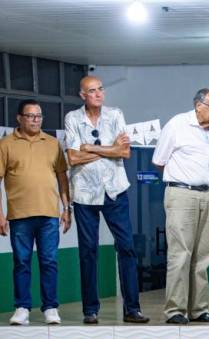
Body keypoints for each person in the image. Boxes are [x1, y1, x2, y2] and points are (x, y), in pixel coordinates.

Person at [65, 76, 148, 324]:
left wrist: (90, 148)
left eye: (101, 89)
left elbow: (124, 152)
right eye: (92, 91)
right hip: (84, 194)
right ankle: (90, 310)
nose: (99, 94)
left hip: (115, 191)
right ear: (83, 95)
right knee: (88, 251)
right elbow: (72, 158)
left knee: (127, 247)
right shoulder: (73, 118)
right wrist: (107, 150)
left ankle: (132, 308)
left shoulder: (115, 115)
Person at [153, 87, 209, 325]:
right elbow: (159, 161)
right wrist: (184, 181)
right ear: (199, 106)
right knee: (180, 253)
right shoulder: (177, 125)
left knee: (204, 254)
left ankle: (199, 308)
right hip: (182, 194)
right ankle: (175, 309)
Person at [0, 100, 70, 325]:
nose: (35, 120)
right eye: (30, 116)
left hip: (49, 214)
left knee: (49, 261)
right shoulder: (6, 144)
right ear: (19, 118)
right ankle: (22, 308)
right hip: (19, 216)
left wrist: (66, 208)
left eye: (38, 116)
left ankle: (50, 308)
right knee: (22, 262)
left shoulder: (52, 143)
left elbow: (62, 177)